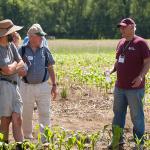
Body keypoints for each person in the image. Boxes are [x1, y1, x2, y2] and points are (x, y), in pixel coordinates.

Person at [108, 18, 150, 150]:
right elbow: (118, 61)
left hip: (135, 88)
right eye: (120, 27)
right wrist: (111, 70)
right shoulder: (120, 42)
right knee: (118, 114)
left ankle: (139, 143)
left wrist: (140, 76)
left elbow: (147, 62)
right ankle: (117, 141)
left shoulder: (141, 43)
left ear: (132, 27)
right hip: (119, 87)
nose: (121, 29)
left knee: (136, 115)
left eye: (123, 27)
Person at [18, 23, 57, 141]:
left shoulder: (45, 50)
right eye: (40, 36)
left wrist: (54, 85)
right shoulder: (22, 50)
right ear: (31, 37)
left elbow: (50, 68)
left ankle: (45, 140)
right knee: (26, 113)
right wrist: (20, 71)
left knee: (45, 113)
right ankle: (27, 137)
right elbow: (16, 68)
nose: (42, 38)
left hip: (43, 86)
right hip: (26, 87)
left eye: (42, 36)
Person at [0, 19, 25, 147]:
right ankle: (3, 145)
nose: (14, 35)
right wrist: (15, 65)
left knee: (17, 118)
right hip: (3, 86)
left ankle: (20, 146)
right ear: (5, 34)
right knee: (5, 119)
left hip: (15, 86)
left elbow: (21, 62)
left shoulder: (11, 46)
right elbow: (6, 70)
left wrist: (13, 65)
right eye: (11, 32)